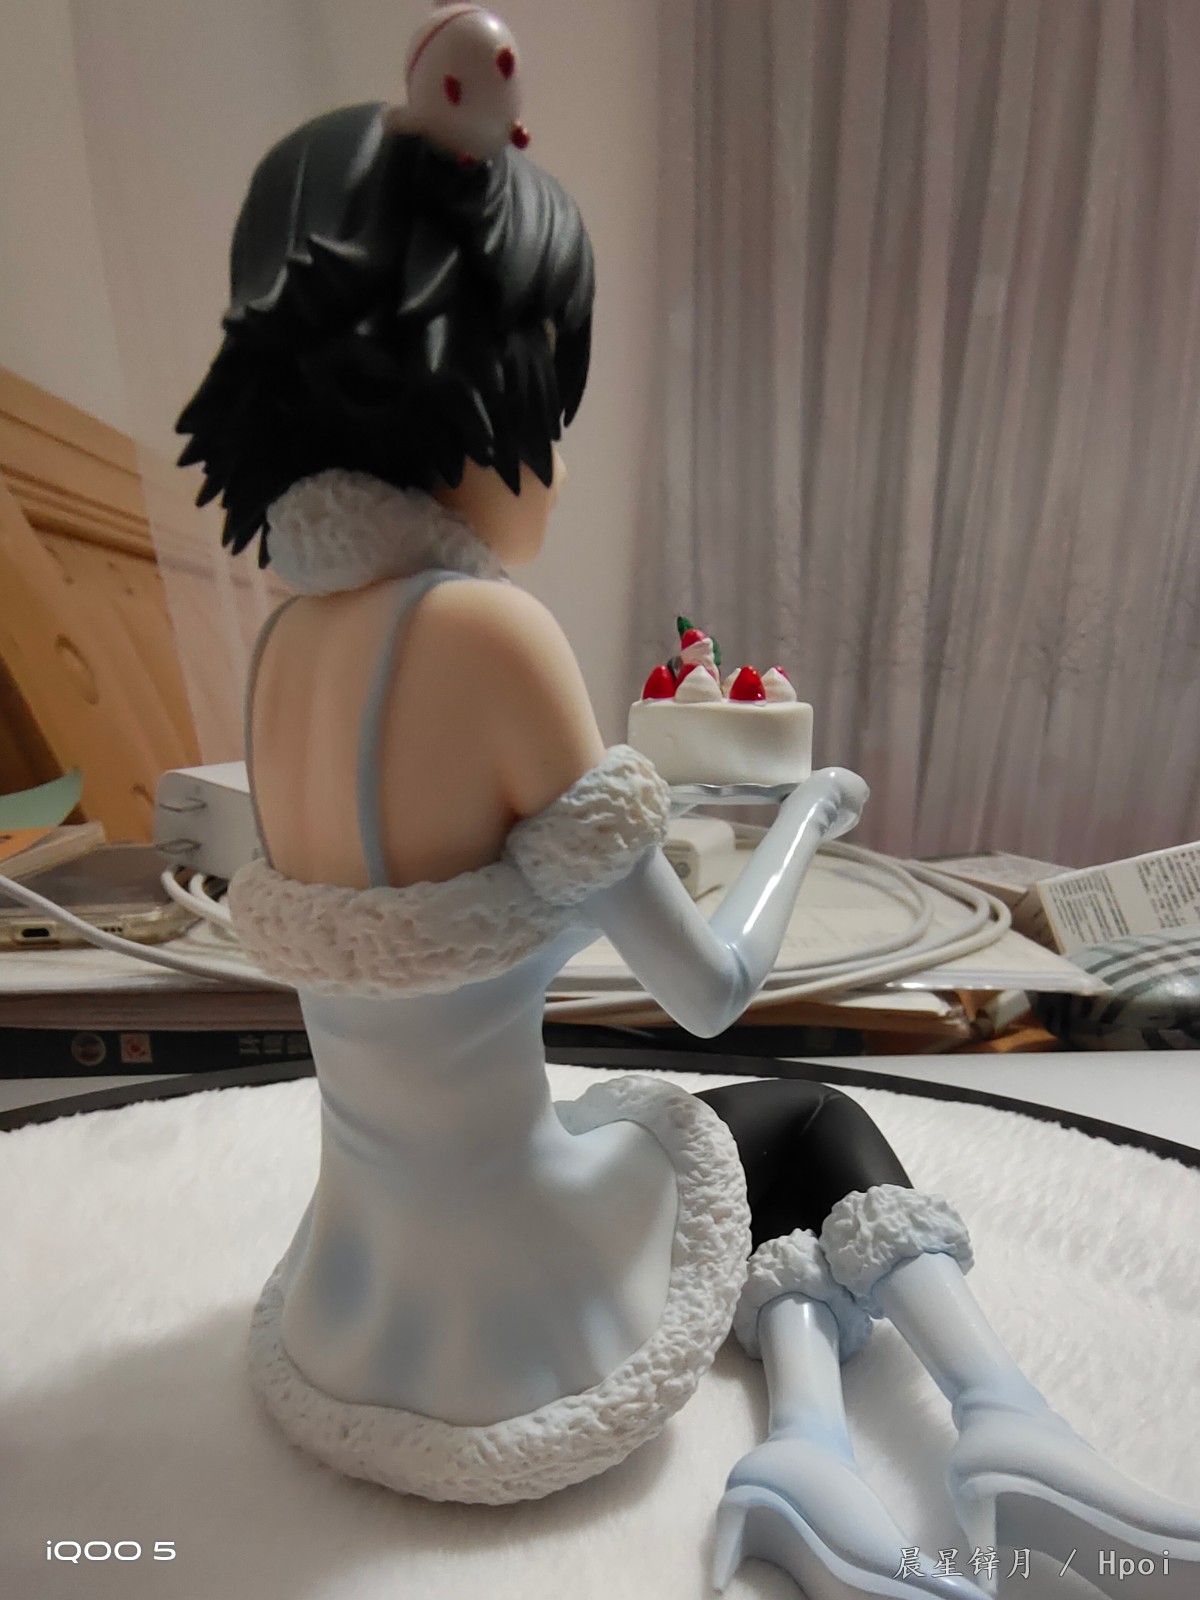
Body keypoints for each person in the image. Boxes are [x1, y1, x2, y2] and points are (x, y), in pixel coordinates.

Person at [177, 21, 1200, 1597]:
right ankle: (999, 1409)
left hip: (355, 1293)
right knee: (803, 1119)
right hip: (516, 1307)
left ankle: (815, 1442)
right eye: (555, 398)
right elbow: (709, 991)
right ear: (479, 380)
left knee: (711, 1157)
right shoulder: (484, 632)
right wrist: (809, 820)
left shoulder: (280, 649)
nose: (557, 457)